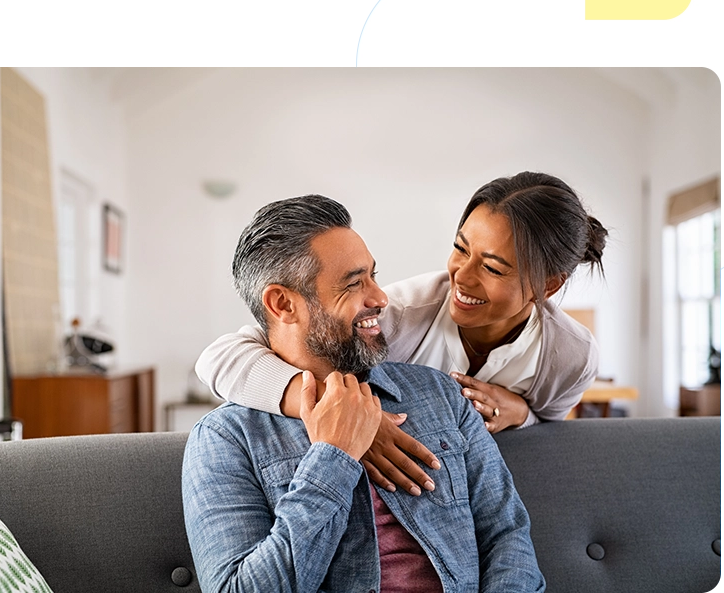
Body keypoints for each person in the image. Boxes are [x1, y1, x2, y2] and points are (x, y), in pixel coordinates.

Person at [183, 194, 545, 593]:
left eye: (373, 275)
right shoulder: (226, 439)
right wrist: (332, 458)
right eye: (354, 283)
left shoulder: (442, 393)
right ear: (283, 303)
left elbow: (508, 536)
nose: (380, 298)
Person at [196, 172, 607, 494]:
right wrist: (343, 413)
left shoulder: (571, 356)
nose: (461, 277)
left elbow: (550, 433)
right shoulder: (401, 314)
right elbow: (221, 358)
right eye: (460, 248)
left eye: (493, 267)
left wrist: (523, 414)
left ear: (548, 285)